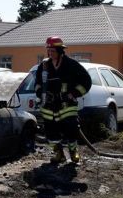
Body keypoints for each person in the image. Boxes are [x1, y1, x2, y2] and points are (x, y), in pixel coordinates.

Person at [35, 36, 92, 164]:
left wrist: (74, 93)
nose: (50, 53)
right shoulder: (44, 66)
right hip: (49, 106)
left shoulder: (71, 65)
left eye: (53, 51)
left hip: (67, 105)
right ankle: (58, 153)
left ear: (60, 51)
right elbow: (37, 83)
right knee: (51, 131)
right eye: (49, 51)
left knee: (71, 127)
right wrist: (41, 93)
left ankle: (73, 151)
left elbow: (86, 81)